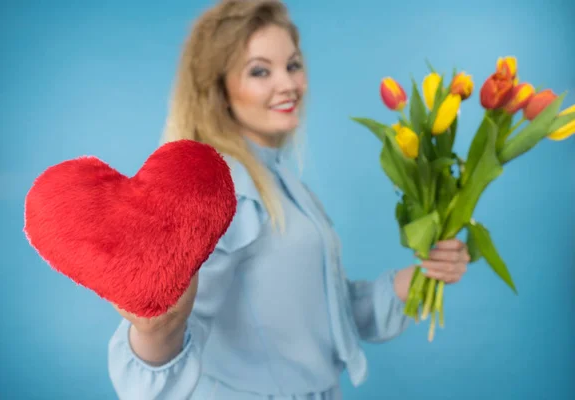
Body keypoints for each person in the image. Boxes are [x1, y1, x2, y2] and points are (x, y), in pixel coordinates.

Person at [107, 1, 470, 399]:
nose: (288, 84)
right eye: (260, 71)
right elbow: (173, 325)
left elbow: (325, 312)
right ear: (220, 90)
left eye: (293, 65)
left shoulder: (276, 178)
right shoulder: (225, 187)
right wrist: (154, 330)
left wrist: (424, 274)